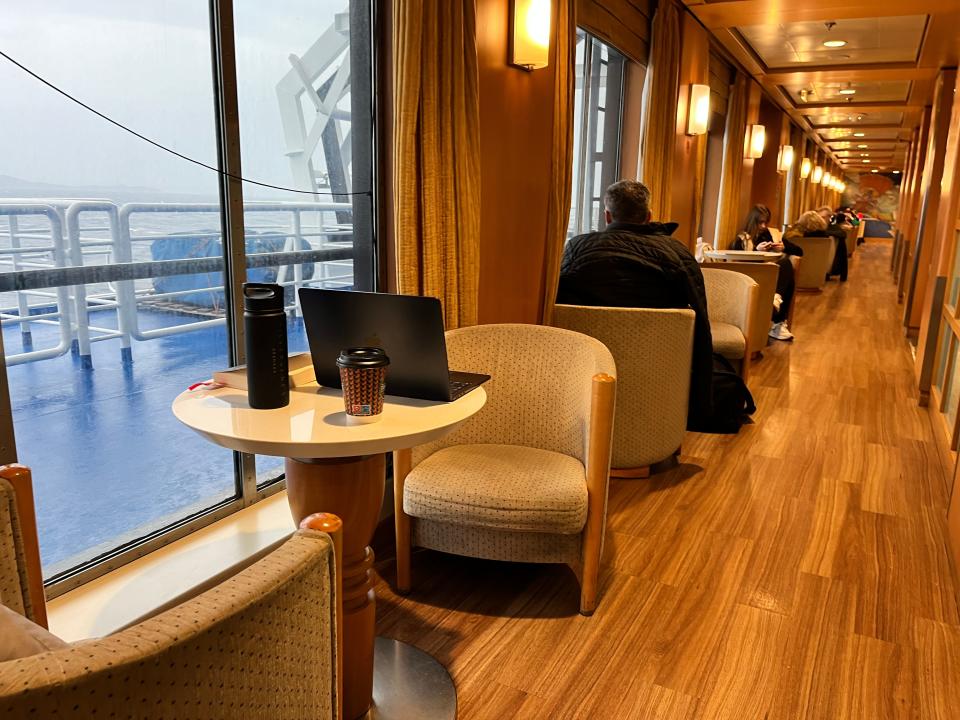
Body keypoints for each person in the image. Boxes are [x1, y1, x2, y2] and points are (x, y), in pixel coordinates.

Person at [558, 181, 719, 431]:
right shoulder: (676, 252)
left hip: (590, 367)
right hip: (659, 369)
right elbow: (700, 316)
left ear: (607, 216)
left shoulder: (577, 247)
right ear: (649, 216)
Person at [731, 204, 802, 341]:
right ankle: (778, 319)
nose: (763, 226)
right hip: (755, 276)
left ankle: (776, 301)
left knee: (786, 264)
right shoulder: (742, 239)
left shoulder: (771, 235)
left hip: (774, 276)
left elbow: (800, 251)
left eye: (765, 222)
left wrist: (784, 247)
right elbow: (738, 261)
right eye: (760, 222)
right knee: (786, 270)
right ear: (753, 221)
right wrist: (756, 252)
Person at [816, 205, 849, 281]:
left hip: (828, 258)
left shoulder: (834, 227)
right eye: (819, 217)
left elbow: (843, 234)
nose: (821, 220)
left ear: (829, 217)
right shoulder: (813, 227)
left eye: (823, 217)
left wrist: (825, 234)